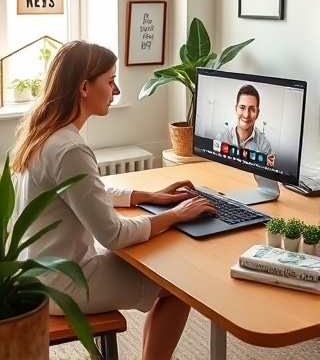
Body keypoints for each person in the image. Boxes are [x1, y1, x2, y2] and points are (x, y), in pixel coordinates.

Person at [10, 40, 215, 360]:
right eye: (110, 80)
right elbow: (113, 235)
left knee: (161, 265)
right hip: (63, 284)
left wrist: (148, 196)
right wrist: (175, 215)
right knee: (179, 287)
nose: (116, 90)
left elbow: (83, 192)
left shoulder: (46, 134)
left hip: (36, 274)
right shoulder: (69, 148)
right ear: (84, 87)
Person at [215, 84, 273, 158]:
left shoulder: (264, 146)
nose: (246, 115)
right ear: (236, 109)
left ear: (257, 113)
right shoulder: (222, 137)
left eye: (252, 109)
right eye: (242, 108)